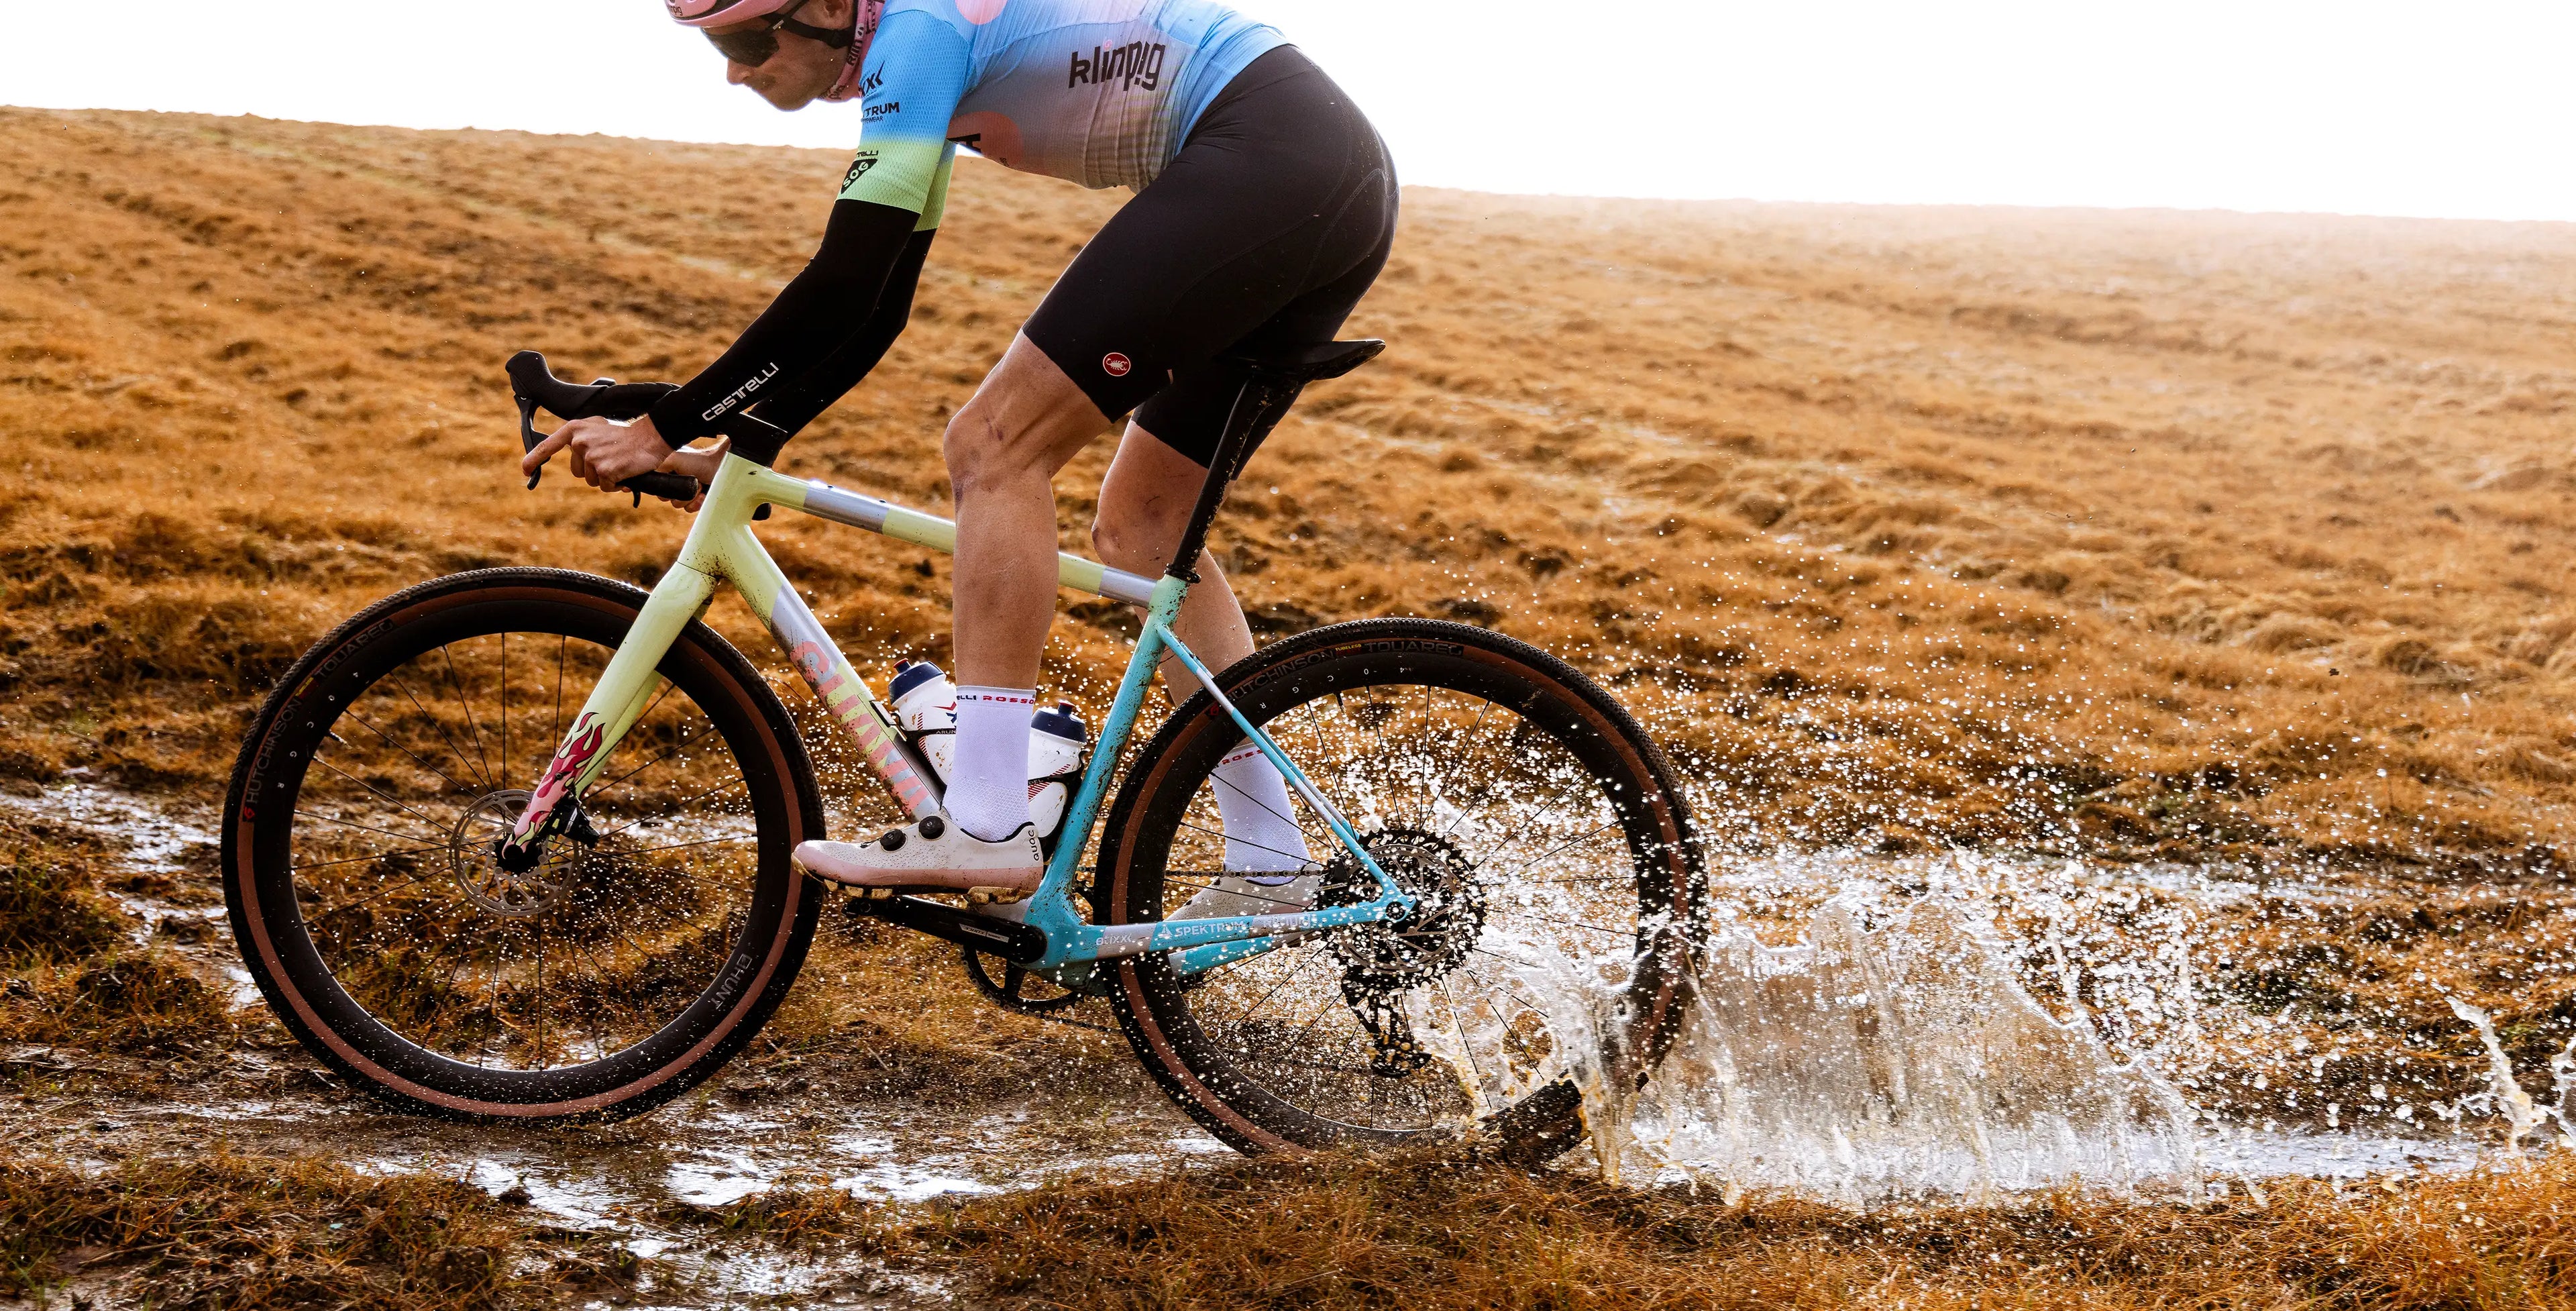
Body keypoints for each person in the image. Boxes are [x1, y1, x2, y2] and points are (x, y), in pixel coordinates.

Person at [521, 0, 1396, 906]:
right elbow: (879, 303)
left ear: (824, 7)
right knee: (1142, 528)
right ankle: (1271, 859)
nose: (735, 72)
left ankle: (985, 822)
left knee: (992, 447)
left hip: (1272, 155)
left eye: (745, 41)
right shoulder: (914, 52)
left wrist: (662, 427)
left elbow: (844, 280)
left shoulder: (916, 35)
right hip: (1319, 168)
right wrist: (742, 437)